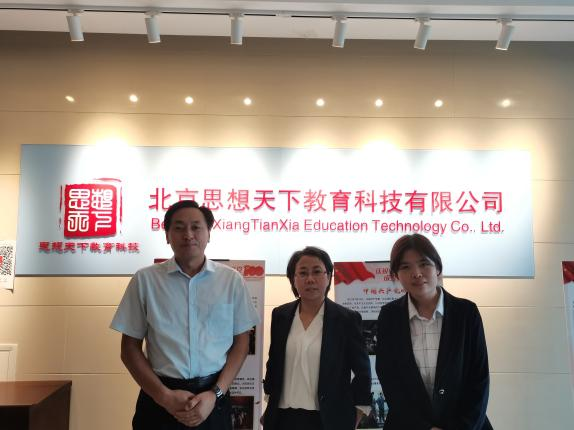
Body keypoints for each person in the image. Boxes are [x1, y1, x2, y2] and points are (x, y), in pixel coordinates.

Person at [110, 200, 260, 430]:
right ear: (167, 235)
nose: (188, 235)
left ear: (209, 233)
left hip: (213, 399)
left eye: (196, 227)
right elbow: (129, 349)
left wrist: (216, 394)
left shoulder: (231, 280)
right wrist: (164, 396)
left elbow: (241, 343)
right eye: (179, 228)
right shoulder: (145, 280)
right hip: (159, 397)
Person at [375, 234, 492, 430]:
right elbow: (390, 381)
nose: (416, 273)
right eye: (405, 267)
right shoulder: (389, 316)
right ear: (396, 275)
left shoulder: (466, 313)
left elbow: (479, 380)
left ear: (437, 267)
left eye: (424, 264)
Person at [262, 246, 371, 430]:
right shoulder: (281, 315)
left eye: (317, 272)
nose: (310, 279)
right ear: (293, 279)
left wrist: (356, 414)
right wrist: (269, 405)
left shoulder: (346, 319)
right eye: (303, 273)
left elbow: (363, 372)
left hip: (327, 420)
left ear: (328, 277)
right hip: (283, 418)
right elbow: (273, 363)